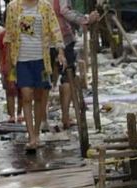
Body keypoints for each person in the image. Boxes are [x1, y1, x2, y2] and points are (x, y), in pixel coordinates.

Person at [3, 0, 65, 151]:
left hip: (41, 60)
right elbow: (9, 35)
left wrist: (60, 52)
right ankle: (31, 136)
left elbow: (55, 30)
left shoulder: (45, 7)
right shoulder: (13, 7)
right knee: (26, 95)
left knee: (39, 96)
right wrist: (9, 63)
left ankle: (37, 133)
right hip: (22, 60)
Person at [48, 0, 98, 129]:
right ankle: (65, 117)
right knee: (67, 75)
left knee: (45, 80)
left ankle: (42, 120)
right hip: (62, 38)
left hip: (42, 42)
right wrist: (85, 19)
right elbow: (64, 11)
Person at [0, 26, 22, 123]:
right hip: (12, 66)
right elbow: (0, 52)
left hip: (12, 66)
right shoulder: (4, 35)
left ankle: (14, 115)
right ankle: (16, 114)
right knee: (17, 90)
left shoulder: (3, 35)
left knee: (12, 91)